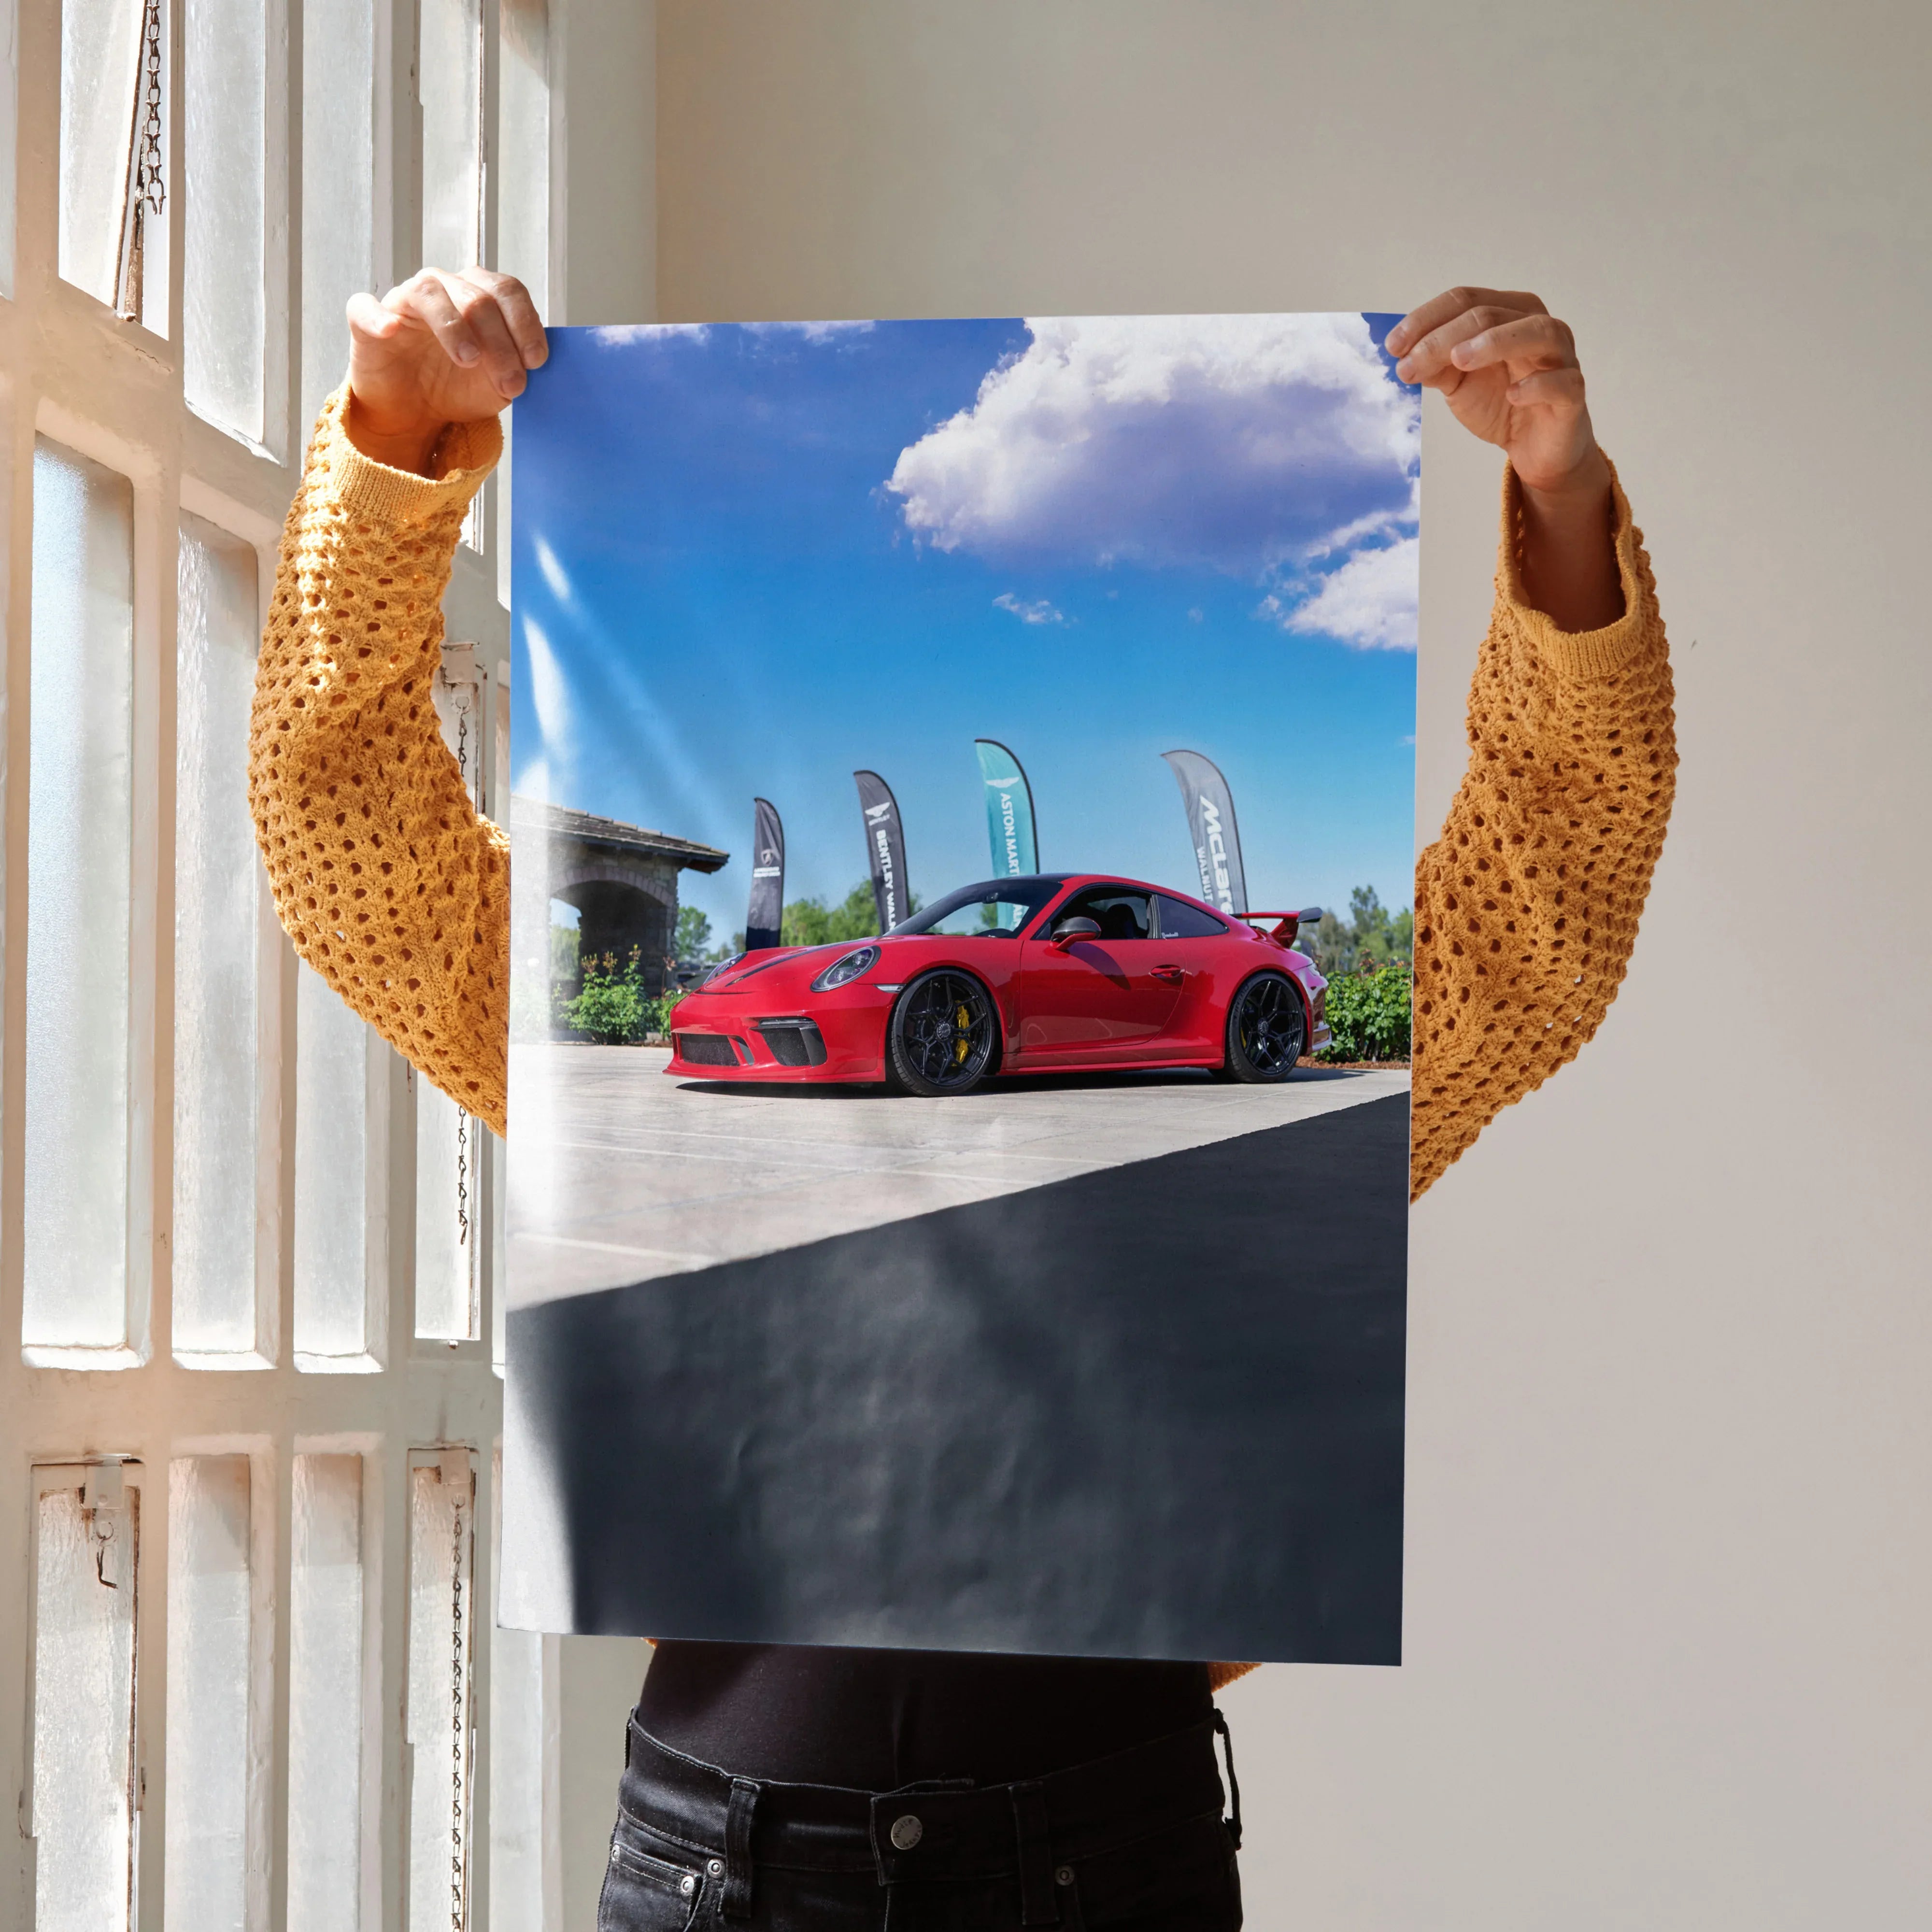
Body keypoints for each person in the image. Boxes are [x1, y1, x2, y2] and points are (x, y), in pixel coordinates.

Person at [249, 270, 1675, 1930]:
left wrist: (1560, 495)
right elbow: (348, 846)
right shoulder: (651, 1108)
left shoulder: (1266, 1133)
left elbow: (1546, 908)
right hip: (728, 1864)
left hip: (1103, 1853)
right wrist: (392, 445)